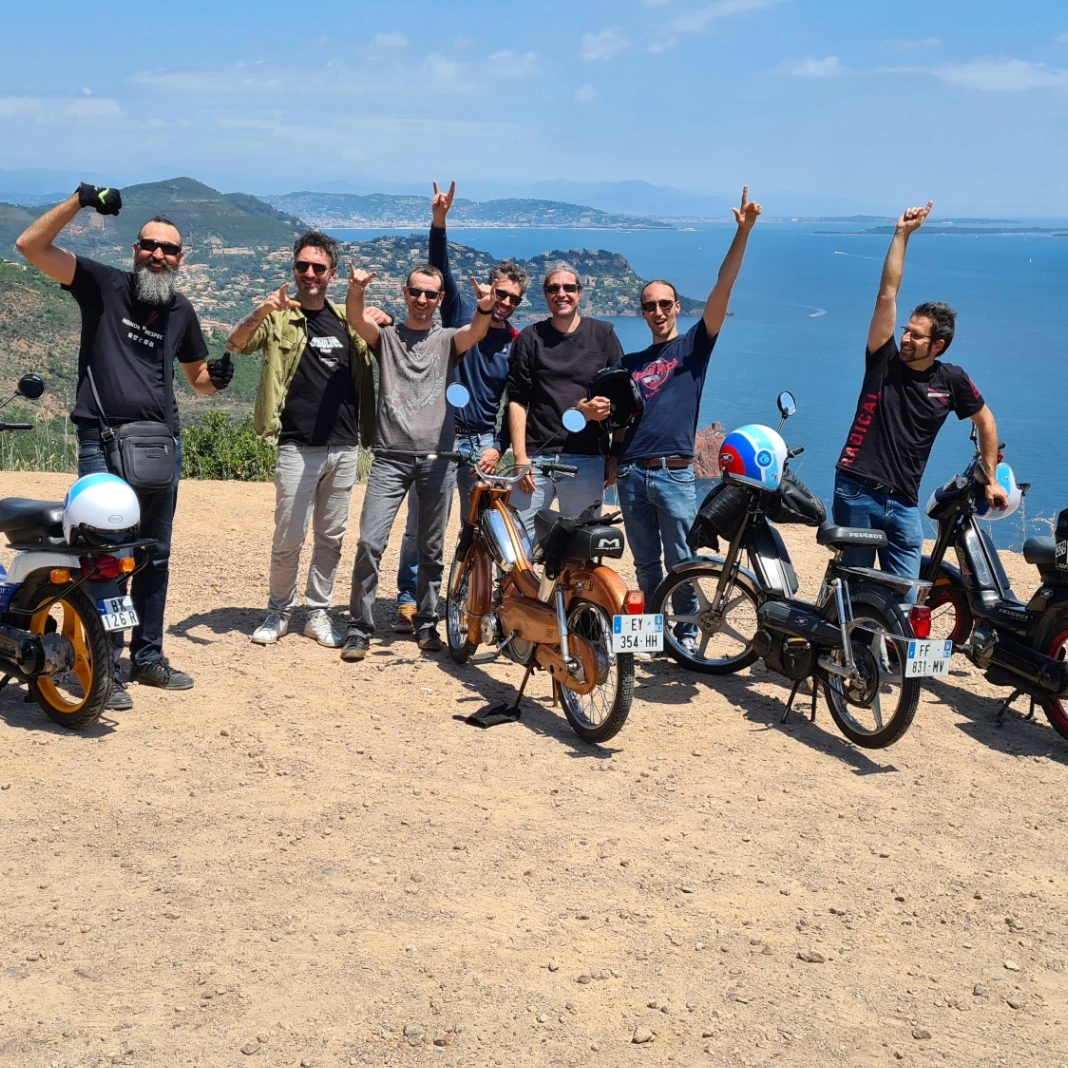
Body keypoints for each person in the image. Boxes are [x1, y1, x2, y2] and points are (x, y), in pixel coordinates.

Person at [14, 183, 232, 709]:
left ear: (180, 259)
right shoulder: (102, 284)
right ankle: (104, 666)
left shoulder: (181, 311)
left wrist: (218, 378)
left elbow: (198, 379)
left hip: (160, 445)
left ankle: (148, 657)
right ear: (135, 250)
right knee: (103, 559)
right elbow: (30, 246)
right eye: (149, 245)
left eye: (169, 249)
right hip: (103, 439)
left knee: (154, 556)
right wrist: (79, 200)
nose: (158, 254)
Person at [611, 186, 762, 641]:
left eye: (665, 304)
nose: (657, 311)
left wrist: (743, 232)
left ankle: (688, 632)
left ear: (677, 307)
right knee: (644, 563)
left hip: (674, 473)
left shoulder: (693, 347)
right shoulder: (630, 364)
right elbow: (617, 420)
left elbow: (722, 288)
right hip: (632, 474)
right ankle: (654, 634)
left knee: (682, 561)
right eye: (649, 306)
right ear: (641, 312)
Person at [833, 201, 1007, 582]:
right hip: (857, 489)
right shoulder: (883, 360)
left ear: (938, 345)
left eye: (916, 335)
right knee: (857, 590)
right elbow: (887, 294)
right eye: (906, 330)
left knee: (905, 596)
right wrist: (902, 234)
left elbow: (986, 421)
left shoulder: (951, 380)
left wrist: (991, 477)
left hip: (904, 502)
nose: (906, 338)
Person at [226, 231, 380, 649]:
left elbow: (388, 349)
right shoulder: (278, 317)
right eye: (302, 266)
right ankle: (278, 612)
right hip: (296, 444)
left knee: (331, 538)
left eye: (318, 267)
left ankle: (317, 613)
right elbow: (235, 343)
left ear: (332, 273)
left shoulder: (348, 320)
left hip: (344, 445)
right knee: (288, 537)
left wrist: (374, 314)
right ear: (294, 269)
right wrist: (262, 309)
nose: (309, 273)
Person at [341, 262, 496, 661]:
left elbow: (476, 332)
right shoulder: (387, 338)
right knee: (369, 542)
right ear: (405, 293)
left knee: (431, 547)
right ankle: (359, 627)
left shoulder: (447, 340)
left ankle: (426, 621)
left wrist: (484, 308)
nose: (422, 299)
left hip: (437, 459)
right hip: (390, 458)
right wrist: (356, 290)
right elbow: (356, 320)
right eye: (416, 292)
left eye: (430, 294)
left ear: (440, 298)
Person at [392, 181, 528, 634]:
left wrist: (500, 447)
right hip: (439, 435)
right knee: (422, 524)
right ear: (489, 289)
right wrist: (439, 221)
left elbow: (517, 401)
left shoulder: (515, 342)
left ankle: (466, 600)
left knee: (481, 530)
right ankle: (410, 600)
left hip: (482, 444)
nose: (504, 303)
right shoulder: (461, 316)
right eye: (500, 294)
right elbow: (440, 269)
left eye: (513, 299)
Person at [507, 263, 621, 537]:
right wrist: (520, 458)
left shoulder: (603, 335)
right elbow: (517, 400)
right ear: (545, 295)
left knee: (579, 544)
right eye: (554, 288)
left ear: (579, 293)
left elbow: (621, 398)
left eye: (569, 288)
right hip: (535, 457)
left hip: (588, 457)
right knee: (519, 540)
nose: (562, 294)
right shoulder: (529, 338)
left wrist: (615, 454)